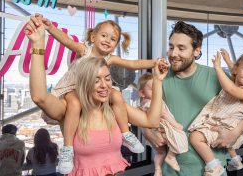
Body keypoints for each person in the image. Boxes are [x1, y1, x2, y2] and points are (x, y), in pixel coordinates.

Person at [25, 20, 168, 176]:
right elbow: (40, 96)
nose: (104, 85)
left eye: (107, 78)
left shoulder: (112, 102)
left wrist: (156, 70)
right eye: (96, 79)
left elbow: (133, 64)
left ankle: (127, 134)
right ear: (93, 37)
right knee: (74, 102)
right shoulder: (72, 101)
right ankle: (68, 148)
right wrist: (44, 36)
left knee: (117, 95)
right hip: (71, 87)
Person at [142, 21, 243, 176]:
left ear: (196, 51)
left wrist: (235, 132)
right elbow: (144, 110)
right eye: (171, 47)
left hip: (213, 171)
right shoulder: (160, 77)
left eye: (181, 48)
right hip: (171, 171)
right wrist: (147, 132)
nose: (173, 53)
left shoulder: (218, 78)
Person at [188, 46, 243, 175]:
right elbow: (235, 71)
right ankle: (235, 159)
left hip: (224, 127)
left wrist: (218, 68)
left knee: (195, 137)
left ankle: (214, 166)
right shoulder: (238, 81)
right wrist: (228, 60)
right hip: (224, 123)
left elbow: (230, 89)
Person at [138, 72, 188, 175]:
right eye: (153, 90)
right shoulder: (152, 103)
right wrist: (175, 124)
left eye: (158, 88)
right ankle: (171, 156)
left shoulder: (143, 103)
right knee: (181, 135)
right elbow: (164, 114)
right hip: (163, 128)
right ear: (142, 93)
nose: (157, 92)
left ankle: (157, 170)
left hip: (155, 130)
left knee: (160, 153)